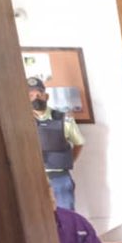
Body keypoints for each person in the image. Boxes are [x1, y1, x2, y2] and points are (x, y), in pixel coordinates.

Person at [28, 76, 84, 210]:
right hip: (32, 178)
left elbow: (79, 143)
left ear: (46, 96)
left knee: (66, 216)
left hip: (59, 176)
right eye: (31, 95)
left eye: (39, 94)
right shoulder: (20, 121)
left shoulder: (64, 118)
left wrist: (68, 160)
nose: (36, 98)